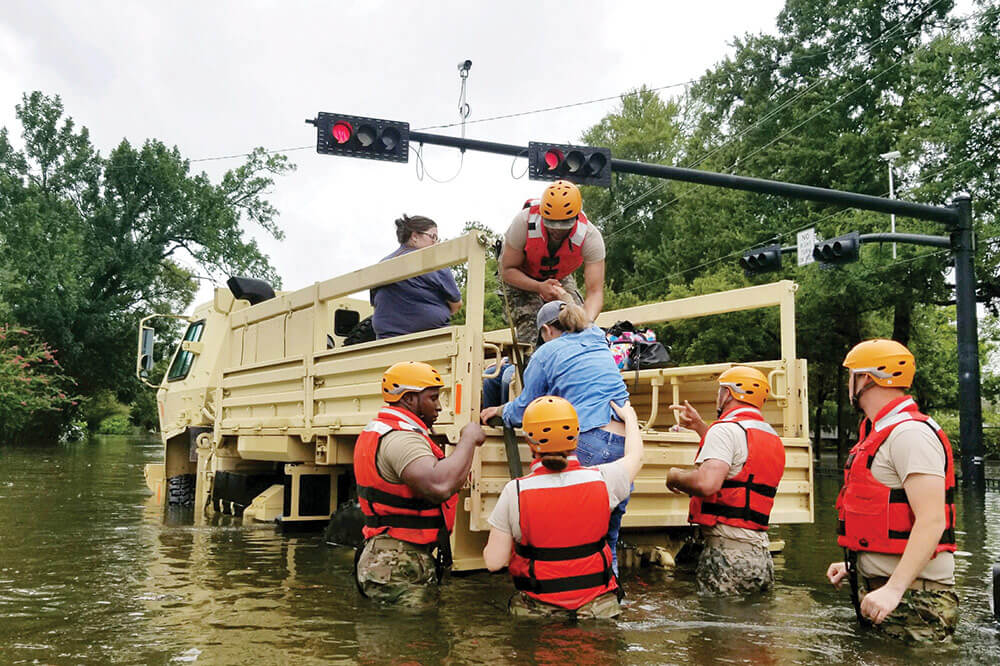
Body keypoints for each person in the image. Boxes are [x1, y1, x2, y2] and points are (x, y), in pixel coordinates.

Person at [479, 299, 631, 573]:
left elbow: (526, 408)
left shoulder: (546, 353)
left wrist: (499, 410)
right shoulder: (597, 337)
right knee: (607, 538)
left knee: (571, 535)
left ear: (547, 330)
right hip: (623, 439)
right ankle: (608, 595)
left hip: (588, 438)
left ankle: (563, 596)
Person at [825, 339, 958, 643]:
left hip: (914, 601)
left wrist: (895, 588)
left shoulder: (910, 435)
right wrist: (856, 563)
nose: (848, 383)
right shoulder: (883, 431)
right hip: (889, 592)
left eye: (851, 374)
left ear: (866, 379)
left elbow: (932, 520)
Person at [483, 396, 644, 619]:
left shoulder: (515, 492)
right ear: (576, 437)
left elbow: (494, 562)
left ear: (530, 442)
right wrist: (630, 418)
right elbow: (636, 456)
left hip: (541, 614)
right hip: (598, 611)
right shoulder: (603, 479)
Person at [353, 361, 486, 605]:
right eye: (433, 398)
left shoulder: (387, 430)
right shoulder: (402, 439)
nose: (439, 407)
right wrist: (468, 439)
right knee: (409, 639)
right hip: (397, 560)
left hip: (392, 555)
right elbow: (439, 486)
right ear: (409, 399)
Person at [666, 366, 785, 596]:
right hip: (760, 556)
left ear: (728, 394)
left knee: (719, 628)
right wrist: (701, 427)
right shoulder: (770, 436)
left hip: (727, 555)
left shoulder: (725, 431)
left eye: (720, 390)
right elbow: (739, 466)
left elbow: (707, 484)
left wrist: (674, 476)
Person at [499, 180, 606, 347]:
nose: (556, 230)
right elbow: (507, 271)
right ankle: (532, 366)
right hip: (519, 276)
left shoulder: (591, 237)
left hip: (559, 277)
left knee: (574, 323)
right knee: (535, 330)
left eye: (564, 225)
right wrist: (539, 287)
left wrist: (586, 323)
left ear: (575, 218)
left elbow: (595, 292)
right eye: (551, 224)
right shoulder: (523, 223)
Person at [371, 215, 462, 339]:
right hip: (432, 339)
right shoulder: (433, 263)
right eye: (433, 237)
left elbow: (375, 302)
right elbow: (456, 304)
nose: (435, 243)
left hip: (386, 340)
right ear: (414, 237)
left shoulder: (381, 266)